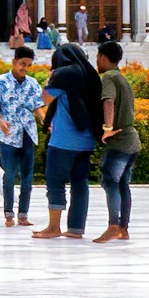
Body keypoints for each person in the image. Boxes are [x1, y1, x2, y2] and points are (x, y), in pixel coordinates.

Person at [34, 41, 103, 240]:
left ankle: (54, 227)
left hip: (63, 140)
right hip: (86, 139)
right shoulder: (89, 74)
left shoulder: (63, 74)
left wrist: (50, 78)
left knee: (55, 182)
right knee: (80, 183)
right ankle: (75, 228)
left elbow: (45, 98)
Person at [0, 44, 44, 225]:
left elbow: (38, 107)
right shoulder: (0, 82)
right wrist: (0, 122)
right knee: (9, 174)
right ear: (14, 62)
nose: (24, 68)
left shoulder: (33, 84)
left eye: (28, 65)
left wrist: (45, 121)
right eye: (22, 64)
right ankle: (9, 213)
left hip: (28, 133)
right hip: (8, 134)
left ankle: (23, 214)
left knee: (27, 175)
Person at [93, 36, 139, 243]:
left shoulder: (109, 77)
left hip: (120, 141)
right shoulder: (122, 77)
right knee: (123, 185)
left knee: (110, 181)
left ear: (103, 57)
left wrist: (107, 128)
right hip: (131, 140)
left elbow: (108, 101)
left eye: (97, 56)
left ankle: (113, 225)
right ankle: (123, 228)